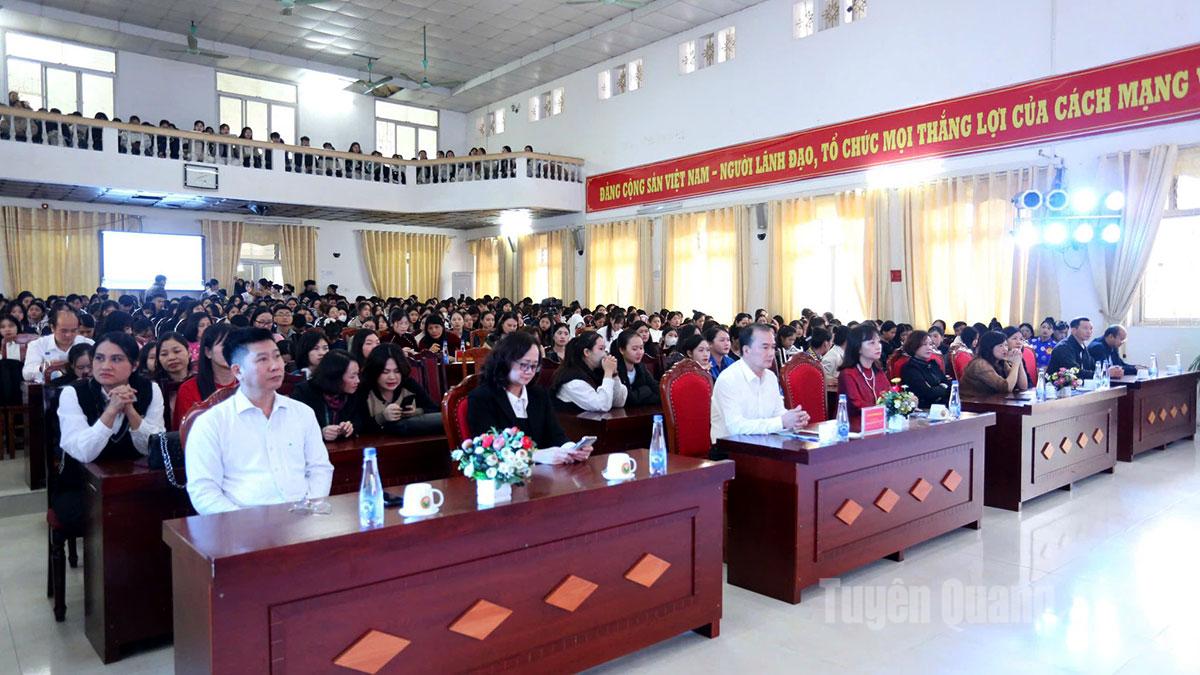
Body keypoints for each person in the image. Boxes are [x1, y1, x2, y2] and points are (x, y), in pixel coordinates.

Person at [184, 328, 333, 515]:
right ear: (238, 370)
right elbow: (204, 491)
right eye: (262, 359)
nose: (275, 366)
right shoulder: (211, 423)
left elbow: (320, 468)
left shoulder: (302, 413)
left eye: (277, 356)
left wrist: (310, 508)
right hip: (242, 530)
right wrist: (246, 524)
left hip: (303, 521)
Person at [55, 332, 165, 529]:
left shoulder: (151, 390)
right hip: (80, 484)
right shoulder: (73, 393)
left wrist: (131, 411)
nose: (105, 366)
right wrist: (111, 410)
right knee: (102, 515)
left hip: (133, 481)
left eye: (116, 359)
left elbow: (153, 447)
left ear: (134, 365)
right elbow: (84, 453)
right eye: (99, 358)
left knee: (155, 509)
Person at [466, 331, 591, 464]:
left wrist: (571, 449)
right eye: (524, 365)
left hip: (544, 476)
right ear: (505, 361)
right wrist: (534, 455)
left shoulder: (539, 395)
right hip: (505, 476)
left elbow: (557, 435)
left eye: (534, 366)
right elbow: (488, 449)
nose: (529, 371)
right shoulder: (482, 397)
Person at [711, 324, 810, 445]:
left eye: (773, 347)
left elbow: (777, 413)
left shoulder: (770, 377)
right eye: (765, 347)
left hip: (763, 445)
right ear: (746, 350)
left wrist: (794, 418)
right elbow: (736, 427)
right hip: (729, 451)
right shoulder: (728, 379)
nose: (771, 353)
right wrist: (781, 422)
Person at [357, 344, 443, 435]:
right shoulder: (364, 389)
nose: (392, 377)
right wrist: (382, 417)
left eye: (397, 371)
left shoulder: (408, 384)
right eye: (385, 372)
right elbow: (359, 427)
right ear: (374, 371)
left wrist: (416, 412)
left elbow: (434, 409)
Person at [171, 324, 236, 430]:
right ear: (208, 352)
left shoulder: (251, 385)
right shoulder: (189, 389)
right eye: (225, 345)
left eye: (236, 345)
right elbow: (188, 435)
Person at [290, 349, 364, 440]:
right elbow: (294, 429)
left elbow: (360, 422)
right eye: (352, 376)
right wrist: (320, 433)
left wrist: (350, 428)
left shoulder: (353, 393)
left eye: (358, 375)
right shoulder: (303, 393)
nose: (357, 381)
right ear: (335, 377)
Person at [550, 331, 627, 413]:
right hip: (571, 424)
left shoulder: (596, 373)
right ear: (587, 352)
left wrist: (614, 374)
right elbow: (602, 406)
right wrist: (608, 373)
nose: (605, 354)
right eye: (601, 349)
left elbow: (619, 402)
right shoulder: (573, 380)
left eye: (605, 349)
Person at [23, 308, 94, 383]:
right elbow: (26, 373)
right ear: (52, 328)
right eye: (64, 331)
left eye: (73, 330)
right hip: (48, 390)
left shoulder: (89, 344)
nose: (68, 335)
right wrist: (44, 367)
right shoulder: (37, 345)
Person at [837, 323, 889, 418]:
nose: (878, 346)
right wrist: (885, 410)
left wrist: (904, 403)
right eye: (872, 343)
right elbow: (857, 406)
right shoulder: (848, 374)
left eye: (879, 342)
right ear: (858, 348)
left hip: (879, 421)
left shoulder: (878, 371)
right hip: (853, 426)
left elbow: (889, 395)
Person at [1047, 316, 1122, 381]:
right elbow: (1075, 372)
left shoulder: (1082, 346)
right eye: (1085, 328)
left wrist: (1111, 370)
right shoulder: (1063, 347)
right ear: (1073, 330)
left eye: (1091, 329)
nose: (1089, 332)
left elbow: (1092, 366)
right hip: (1057, 389)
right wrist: (1105, 373)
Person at [960, 330, 1030, 397]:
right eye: (1000, 346)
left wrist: (1018, 361)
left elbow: (1023, 387)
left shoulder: (999, 361)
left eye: (1006, 345)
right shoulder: (980, 364)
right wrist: (1015, 364)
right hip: (972, 405)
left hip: (991, 402)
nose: (1005, 349)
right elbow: (1007, 388)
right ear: (989, 347)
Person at [899, 330, 951, 408]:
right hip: (925, 409)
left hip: (944, 406)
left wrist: (940, 387)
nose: (929, 348)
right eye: (924, 344)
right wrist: (943, 386)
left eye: (930, 344)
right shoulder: (909, 368)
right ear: (914, 346)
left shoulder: (933, 364)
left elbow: (949, 385)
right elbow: (927, 393)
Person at [611, 329, 660, 406]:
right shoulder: (614, 369)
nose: (639, 352)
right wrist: (646, 389)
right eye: (634, 349)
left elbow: (657, 390)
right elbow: (627, 399)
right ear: (622, 350)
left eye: (641, 348)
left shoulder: (641, 367)